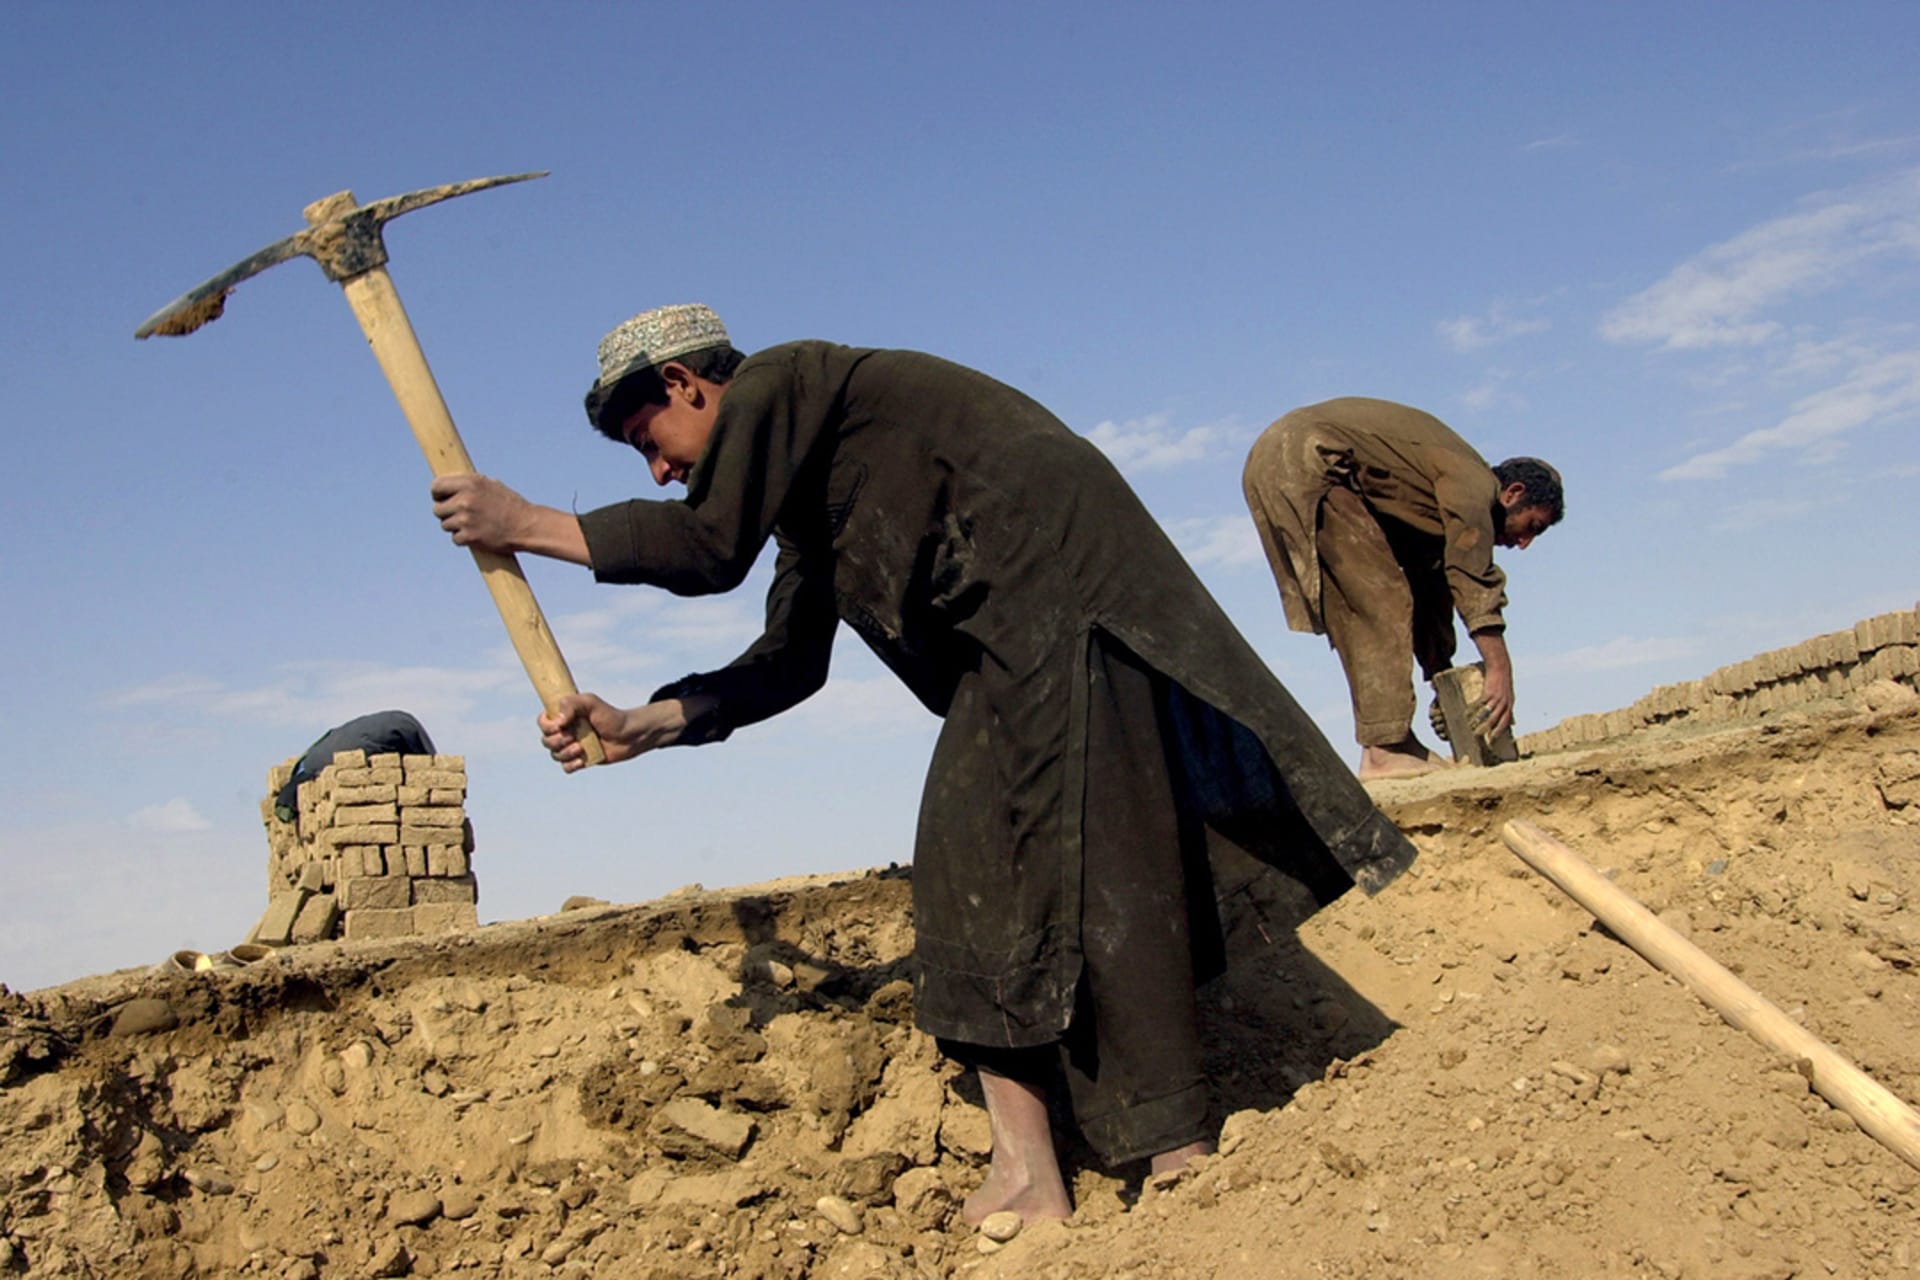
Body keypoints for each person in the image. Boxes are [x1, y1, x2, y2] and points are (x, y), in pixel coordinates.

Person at [431, 305, 1416, 1223]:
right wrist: (639, 723)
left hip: (1058, 593)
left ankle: (1139, 1160)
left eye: (649, 440)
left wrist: (526, 525)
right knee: (1022, 858)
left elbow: (706, 547)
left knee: (1061, 853)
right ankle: (1072, 1162)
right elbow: (789, 662)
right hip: (1019, 638)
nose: (655, 471)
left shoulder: (783, 380)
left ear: (688, 382)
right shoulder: (806, 482)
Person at [1241, 397, 1563, 781]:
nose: (1524, 543)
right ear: (1512, 492)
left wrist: (1443, 683)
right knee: (1378, 597)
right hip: (1307, 457)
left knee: (1373, 596)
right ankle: (1384, 750)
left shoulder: (1428, 503)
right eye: (1533, 526)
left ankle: (1395, 743)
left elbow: (1432, 588)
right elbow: (1470, 573)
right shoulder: (1475, 482)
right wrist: (1499, 670)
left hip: (1282, 458)